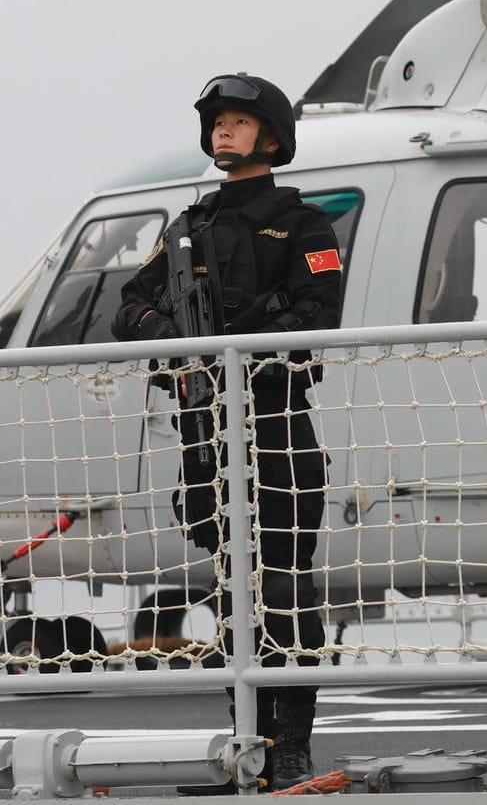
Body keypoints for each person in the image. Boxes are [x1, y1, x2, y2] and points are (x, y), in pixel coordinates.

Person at [114, 75, 342, 792]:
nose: (224, 133)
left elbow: (316, 310)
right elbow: (130, 306)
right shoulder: (187, 230)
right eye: (218, 122)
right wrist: (177, 343)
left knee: (285, 584)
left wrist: (234, 349)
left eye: (239, 122)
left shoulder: (303, 225)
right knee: (231, 588)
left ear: (269, 137)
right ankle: (248, 742)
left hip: (274, 420)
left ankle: (293, 746)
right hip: (204, 427)